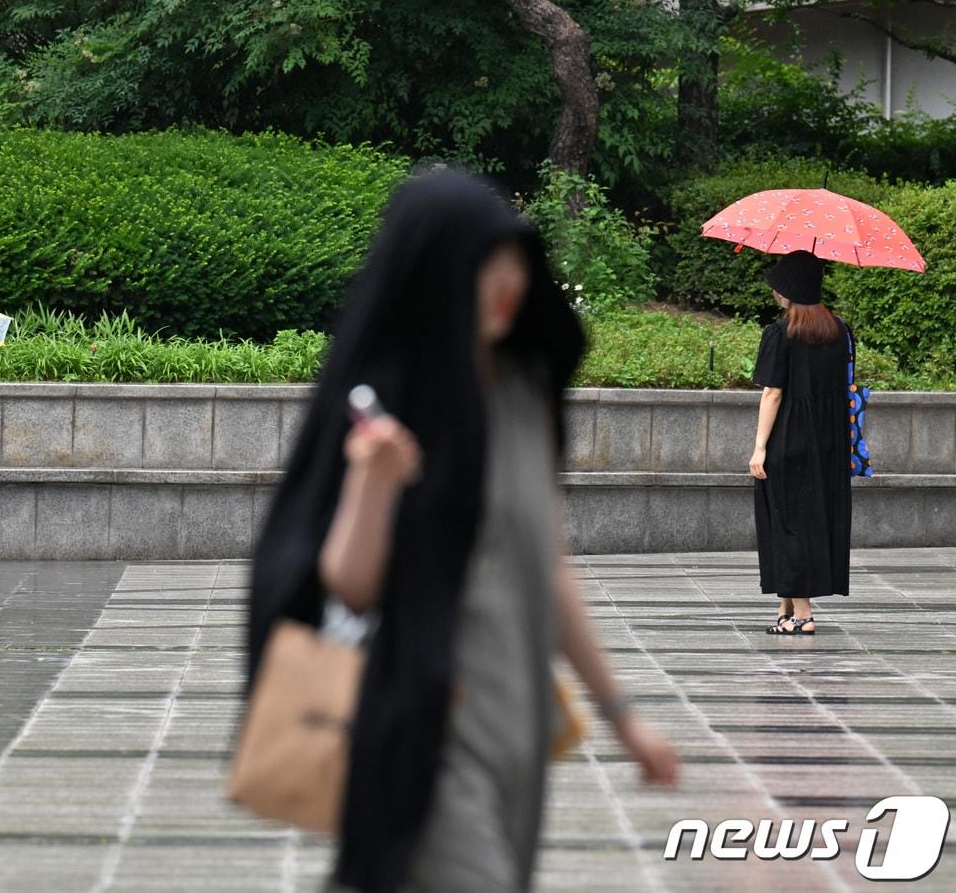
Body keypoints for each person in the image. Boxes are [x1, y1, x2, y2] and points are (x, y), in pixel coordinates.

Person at [247, 169, 679, 893]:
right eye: (483, 263)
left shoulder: (524, 392)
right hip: (423, 725)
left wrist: (623, 716)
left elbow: (551, 567)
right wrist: (373, 481)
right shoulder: (390, 397)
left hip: (519, 722)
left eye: (514, 259)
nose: (506, 280)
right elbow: (348, 587)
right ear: (435, 273)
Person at [749, 249, 852, 634]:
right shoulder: (840, 330)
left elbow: (773, 393)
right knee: (812, 516)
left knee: (789, 520)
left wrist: (760, 446)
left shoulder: (780, 333)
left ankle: (803, 615)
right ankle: (786, 606)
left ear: (787, 290)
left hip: (790, 437)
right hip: (829, 439)